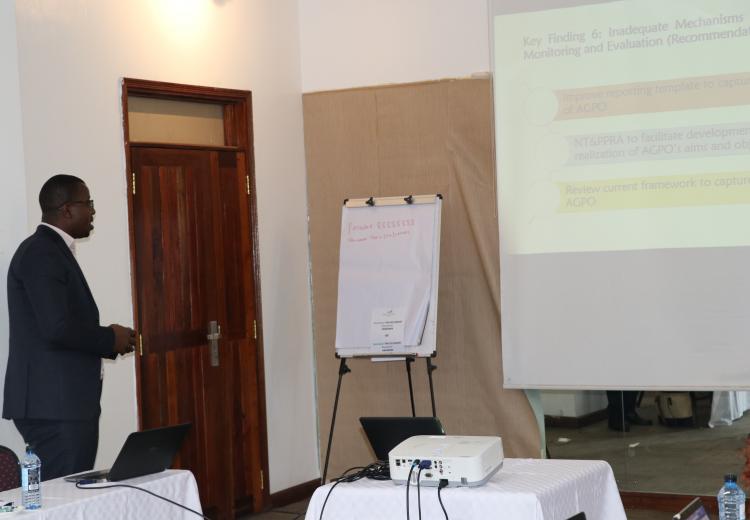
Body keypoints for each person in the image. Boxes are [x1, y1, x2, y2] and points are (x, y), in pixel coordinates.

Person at [3, 174, 135, 480]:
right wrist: (109, 338)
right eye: (88, 203)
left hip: (62, 403)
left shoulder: (51, 250)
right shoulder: (41, 252)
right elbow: (56, 327)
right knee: (64, 495)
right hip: (55, 406)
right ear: (66, 210)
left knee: (71, 490)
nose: (93, 211)